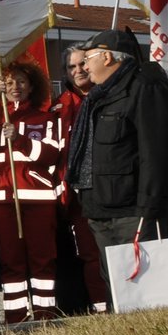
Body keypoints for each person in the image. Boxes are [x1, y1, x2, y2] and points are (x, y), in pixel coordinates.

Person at [64, 28, 168, 281]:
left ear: (107, 58)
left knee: (146, 282)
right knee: (117, 282)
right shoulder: (97, 95)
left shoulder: (143, 87)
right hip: (99, 207)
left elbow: (156, 151)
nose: (83, 66)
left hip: (133, 210)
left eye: (88, 58)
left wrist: (149, 207)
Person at [0, 59, 62, 324]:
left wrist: (20, 140)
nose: (15, 87)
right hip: (2, 197)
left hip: (37, 197)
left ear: (31, 86)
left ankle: (45, 316)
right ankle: (15, 318)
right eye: (9, 82)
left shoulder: (45, 118)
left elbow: (51, 154)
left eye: (21, 82)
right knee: (11, 260)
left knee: (42, 259)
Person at [51, 47, 110, 313]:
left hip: (112, 188)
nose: (77, 71)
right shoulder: (58, 107)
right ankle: (100, 310)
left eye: (81, 64)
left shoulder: (111, 96)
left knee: (114, 251)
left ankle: (126, 305)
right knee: (90, 254)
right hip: (77, 195)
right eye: (71, 67)